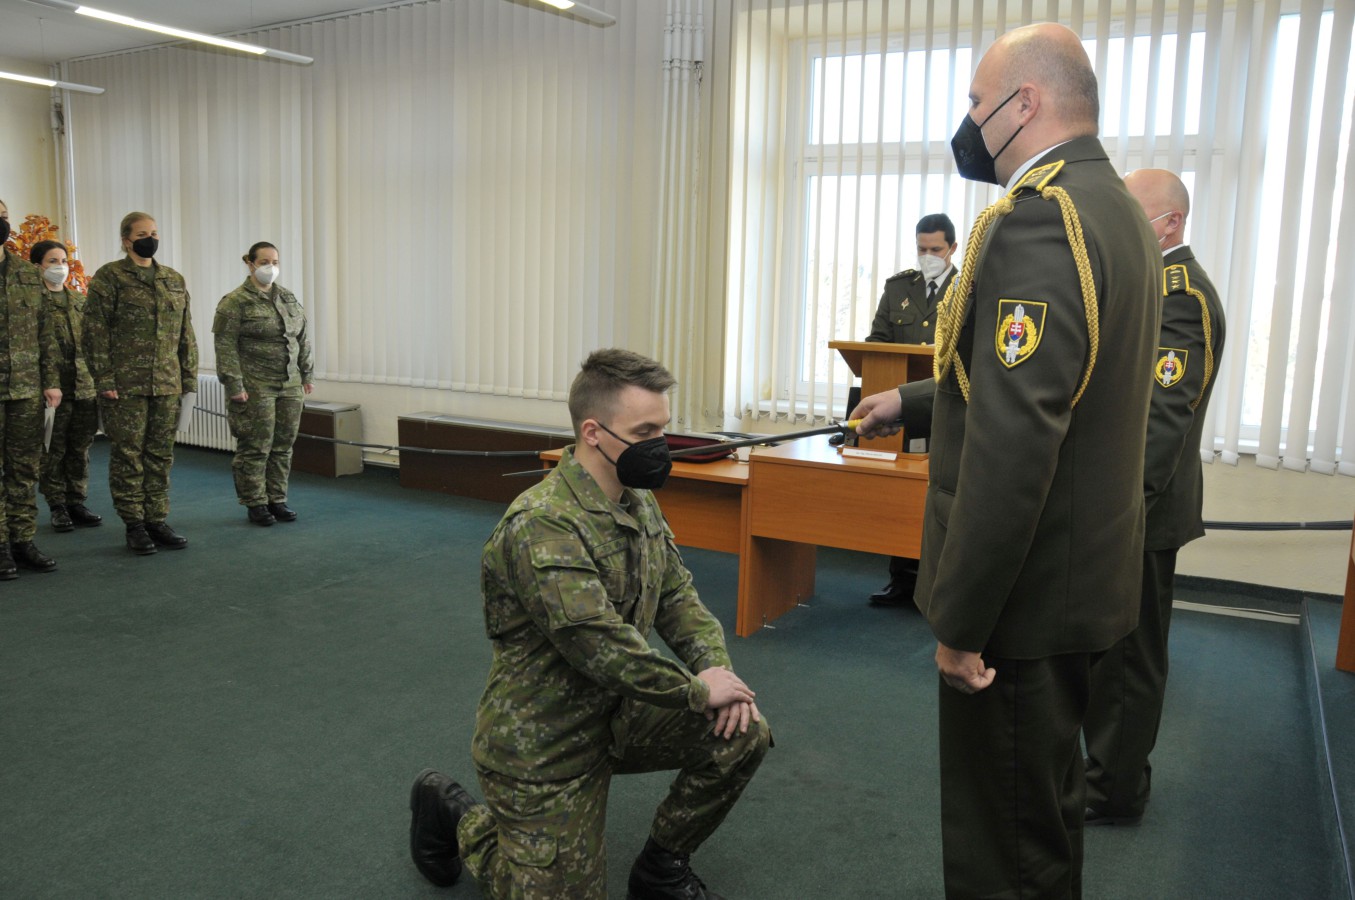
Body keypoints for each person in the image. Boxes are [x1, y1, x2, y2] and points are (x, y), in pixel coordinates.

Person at [851, 23, 1161, 898]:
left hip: (1021, 601)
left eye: (975, 103)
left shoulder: (1039, 222)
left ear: (1024, 104)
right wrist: (909, 400)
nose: (968, 121)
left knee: (1005, 847)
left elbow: (1015, 441)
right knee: (1043, 816)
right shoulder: (1113, 209)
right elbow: (1044, 378)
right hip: (1079, 573)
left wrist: (963, 620)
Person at [409, 348, 770, 899]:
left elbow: (676, 595)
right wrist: (697, 691)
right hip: (544, 741)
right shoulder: (543, 523)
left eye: (663, 429)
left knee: (742, 733)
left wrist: (718, 671)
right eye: (645, 432)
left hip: (621, 712)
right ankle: (461, 818)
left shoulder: (636, 500)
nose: (660, 446)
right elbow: (600, 646)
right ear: (594, 433)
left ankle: (661, 869)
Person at [1083, 169, 1227, 827]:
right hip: (1126, 504)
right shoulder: (1150, 286)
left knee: (1128, 659)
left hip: (1141, 508)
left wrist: (1120, 511)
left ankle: (1115, 791)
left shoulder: (1180, 295)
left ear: (1169, 223)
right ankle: (1106, 773)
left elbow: (1162, 420)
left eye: (1132, 212)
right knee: (1111, 651)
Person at [84, 212, 198, 556]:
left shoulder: (172, 279)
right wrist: (104, 379)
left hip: (166, 383)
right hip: (125, 385)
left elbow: (185, 334)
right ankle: (134, 524)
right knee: (128, 456)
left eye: (155, 233)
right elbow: (94, 332)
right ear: (126, 241)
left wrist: (188, 378)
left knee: (160, 455)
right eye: (142, 234)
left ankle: (157, 519)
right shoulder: (110, 277)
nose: (151, 239)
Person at [863, 213, 958, 608]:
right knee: (902, 494)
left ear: (952, 248)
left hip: (948, 408)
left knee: (940, 495)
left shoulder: (968, 289)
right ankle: (901, 580)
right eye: (922, 249)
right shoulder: (899, 287)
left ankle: (938, 587)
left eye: (935, 249)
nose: (928, 256)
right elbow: (877, 341)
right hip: (904, 407)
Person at [213, 242, 314, 526]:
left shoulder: (287, 298)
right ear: (250, 263)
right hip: (255, 385)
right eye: (264, 261)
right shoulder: (235, 302)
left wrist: (307, 374)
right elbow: (225, 347)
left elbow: (302, 338)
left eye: (275, 261)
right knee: (256, 446)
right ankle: (256, 502)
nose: (271, 267)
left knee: (283, 445)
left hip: (289, 383)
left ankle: (277, 499)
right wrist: (234, 385)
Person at [0, 200, 63, 577]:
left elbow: (45, 333)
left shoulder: (26, 273)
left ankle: (22, 540)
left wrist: (51, 381)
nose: (1, 222)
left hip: (25, 389)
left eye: (4, 216)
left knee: (24, 468)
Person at [30, 240, 103, 533]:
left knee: (80, 447)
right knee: (53, 449)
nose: (60, 266)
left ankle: (76, 501)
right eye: (52, 261)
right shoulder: (33, 303)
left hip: (83, 387)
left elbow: (94, 343)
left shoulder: (79, 301)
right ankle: (57, 505)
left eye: (63, 261)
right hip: (51, 390)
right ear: (38, 266)